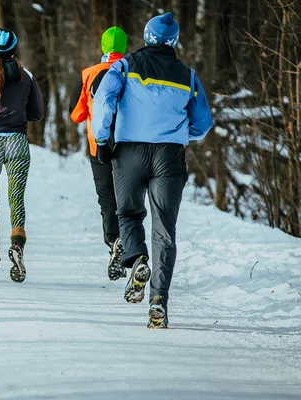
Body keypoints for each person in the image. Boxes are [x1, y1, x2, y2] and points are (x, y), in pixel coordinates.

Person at [91, 12, 213, 328]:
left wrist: (103, 138)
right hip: (169, 156)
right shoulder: (188, 76)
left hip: (129, 151)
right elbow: (203, 124)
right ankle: (158, 300)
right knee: (165, 229)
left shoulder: (124, 66)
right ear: (173, 42)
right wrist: (178, 134)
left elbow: (104, 100)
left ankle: (138, 259)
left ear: (146, 37)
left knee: (128, 214)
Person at [0, 28, 44, 283]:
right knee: (16, 196)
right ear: (14, 50)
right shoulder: (26, 76)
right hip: (17, 140)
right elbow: (37, 113)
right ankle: (17, 245)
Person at [69, 26, 128, 281]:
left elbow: (76, 114)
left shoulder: (89, 74)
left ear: (103, 47)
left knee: (107, 199)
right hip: (129, 144)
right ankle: (131, 241)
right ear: (124, 47)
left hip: (99, 147)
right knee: (129, 198)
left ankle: (114, 241)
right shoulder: (132, 72)